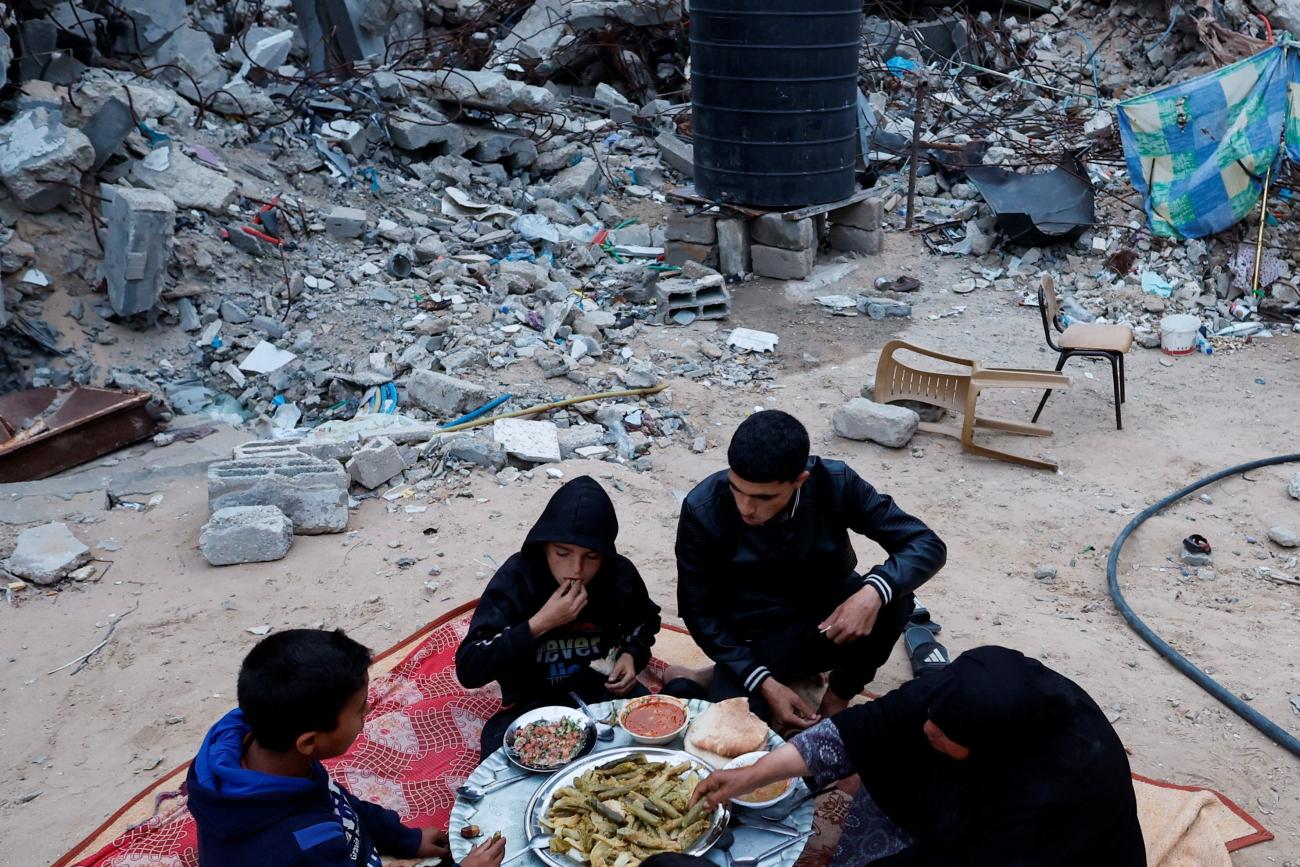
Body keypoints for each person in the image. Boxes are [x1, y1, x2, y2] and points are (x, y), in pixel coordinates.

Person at [691, 646, 1147, 866]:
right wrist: (751, 774)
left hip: (1042, 854)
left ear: (992, 746)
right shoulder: (957, 695)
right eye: (934, 715)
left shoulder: (1063, 788)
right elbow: (867, 729)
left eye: (945, 731)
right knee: (893, 744)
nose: (929, 727)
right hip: (975, 782)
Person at [672, 410, 947, 731]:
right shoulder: (702, 508)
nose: (746, 508)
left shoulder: (835, 482)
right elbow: (699, 613)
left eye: (763, 497)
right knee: (732, 729)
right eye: (737, 490)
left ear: (800, 480)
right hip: (756, 635)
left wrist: (873, 592)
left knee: (893, 596)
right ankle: (741, 674)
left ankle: (836, 696)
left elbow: (925, 542)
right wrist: (763, 681)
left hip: (827, 623)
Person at [187, 628, 507, 867]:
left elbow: (339, 801)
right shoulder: (300, 845)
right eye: (359, 709)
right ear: (309, 741)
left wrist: (404, 838)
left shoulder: (273, 752)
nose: (369, 712)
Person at [456, 475, 661, 760]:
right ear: (544, 547)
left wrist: (631, 655)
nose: (575, 569)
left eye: (591, 556)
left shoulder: (618, 575)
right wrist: (540, 623)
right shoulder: (518, 577)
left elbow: (644, 620)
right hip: (534, 704)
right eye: (562, 553)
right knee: (500, 755)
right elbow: (469, 668)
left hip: (605, 695)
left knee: (660, 731)